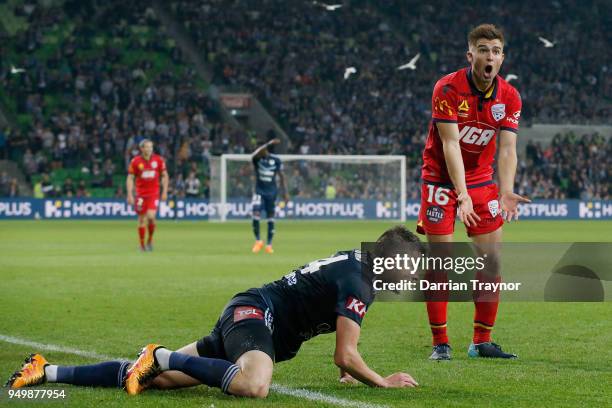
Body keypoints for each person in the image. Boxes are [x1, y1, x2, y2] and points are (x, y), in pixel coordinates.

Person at [6, 226, 421, 397]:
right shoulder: (361, 282)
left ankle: (46, 370)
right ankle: (161, 353)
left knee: (155, 380)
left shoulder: (356, 265)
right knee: (254, 385)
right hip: (255, 317)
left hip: (252, 318)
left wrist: (348, 367)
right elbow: (345, 351)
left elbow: (326, 313)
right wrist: (379, 381)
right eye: (410, 264)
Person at [417, 24, 530, 360]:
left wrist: (507, 190)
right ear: (471, 55)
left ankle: (481, 342)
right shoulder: (447, 87)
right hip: (440, 180)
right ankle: (440, 343)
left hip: (482, 182)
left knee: (491, 262)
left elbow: (508, 149)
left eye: (495, 51)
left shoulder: (509, 96)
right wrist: (460, 193)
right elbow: (451, 144)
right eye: (483, 49)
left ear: (502, 58)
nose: (490, 56)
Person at [126, 139, 169, 252]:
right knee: (141, 219)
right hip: (140, 195)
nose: (149, 149)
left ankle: (149, 240)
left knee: (151, 217)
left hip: (153, 193)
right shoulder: (135, 161)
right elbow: (130, 178)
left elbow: (164, 175)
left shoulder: (158, 160)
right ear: (142, 149)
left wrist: (164, 191)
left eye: (151, 147)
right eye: (147, 147)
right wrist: (130, 194)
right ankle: (142, 245)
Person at [250, 138, 288, 254]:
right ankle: (258, 241)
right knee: (256, 213)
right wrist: (268, 143)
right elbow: (254, 155)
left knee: (270, 217)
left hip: (272, 192)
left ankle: (269, 245)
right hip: (259, 192)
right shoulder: (257, 159)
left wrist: (285, 193)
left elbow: (281, 176)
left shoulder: (276, 160)